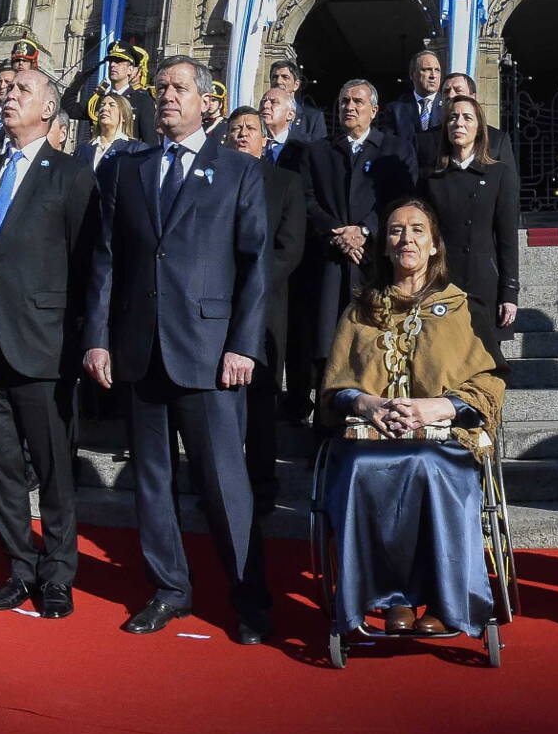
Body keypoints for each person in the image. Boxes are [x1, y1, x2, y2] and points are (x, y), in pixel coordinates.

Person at [85, 56, 273, 643]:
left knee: (224, 484)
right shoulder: (125, 169)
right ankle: (170, 588)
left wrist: (243, 345)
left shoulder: (238, 170)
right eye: (160, 86)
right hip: (140, 350)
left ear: (204, 99)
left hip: (211, 354)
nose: (167, 96)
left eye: (179, 87)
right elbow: (106, 260)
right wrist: (97, 337)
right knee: (152, 480)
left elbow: (255, 266)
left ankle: (249, 599)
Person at [319, 199, 506, 638]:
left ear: (435, 245)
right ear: (384, 246)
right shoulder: (358, 310)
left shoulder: (462, 307)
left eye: (418, 230)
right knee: (361, 470)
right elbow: (334, 387)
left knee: (428, 465)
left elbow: (490, 381)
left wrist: (437, 406)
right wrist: (367, 405)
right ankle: (392, 598)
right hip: (369, 440)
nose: (407, 239)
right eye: (397, 230)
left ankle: (447, 600)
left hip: (444, 440)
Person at [0, 68, 99, 619]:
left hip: (44, 345)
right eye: (8, 89)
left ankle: (59, 572)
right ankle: (19, 567)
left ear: (48, 109)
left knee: (53, 468)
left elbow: (86, 264)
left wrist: (84, 341)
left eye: (23, 90)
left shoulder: (71, 175)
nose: (9, 95)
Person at [299, 81, 416, 420]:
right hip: (331, 267)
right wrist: (337, 233)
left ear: (374, 110)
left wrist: (366, 230)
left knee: (374, 347)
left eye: (358, 101)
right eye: (344, 100)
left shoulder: (394, 150)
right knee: (328, 350)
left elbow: (401, 198)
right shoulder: (318, 151)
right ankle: (325, 433)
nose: (349, 107)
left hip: (372, 265)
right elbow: (307, 200)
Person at [223, 107, 307, 511]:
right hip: (214, 309)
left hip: (264, 311)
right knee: (221, 407)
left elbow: (288, 249)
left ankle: (261, 487)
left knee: (259, 405)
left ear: (264, 139)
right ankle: (221, 487)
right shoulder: (210, 180)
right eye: (235, 128)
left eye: (250, 128)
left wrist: (247, 286)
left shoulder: (286, 183)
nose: (242, 134)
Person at [419, 93, 521, 357]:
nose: (458, 123)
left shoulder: (499, 174)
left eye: (467, 117)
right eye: (452, 118)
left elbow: (508, 239)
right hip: (442, 282)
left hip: (484, 283)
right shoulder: (430, 179)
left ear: (479, 128)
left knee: (485, 365)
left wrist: (509, 294)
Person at [413, 72, 516, 176]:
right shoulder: (424, 140)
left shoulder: (497, 139)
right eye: (446, 91)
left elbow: (509, 183)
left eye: (458, 91)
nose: (451, 95)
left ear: (473, 97)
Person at [379, 49, 445, 157]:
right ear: (412, 75)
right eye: (427, 69)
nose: (433, 75)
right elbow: (388, 146)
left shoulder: (449, 107)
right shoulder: (395, 110)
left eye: (437, 70)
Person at [101, 40, 158, 144]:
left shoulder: (142, 100)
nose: (112, 65)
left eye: (118, 61)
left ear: (130, 70)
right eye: (111, 61)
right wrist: (81, 78)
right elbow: (70, 108)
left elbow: (150, 141)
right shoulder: (101, 99)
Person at [267, 59, 327, 146]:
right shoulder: (263, 115)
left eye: (285, 77)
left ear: (296, 85)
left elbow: (320, 152)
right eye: (274, 77)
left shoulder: (313, 118)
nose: (278, 81)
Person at [79, 90, 136, 177]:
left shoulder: (135, 149)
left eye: (112, 105)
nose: (104, 108)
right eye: (102, 105)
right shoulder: (82, 149)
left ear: (124, 116)